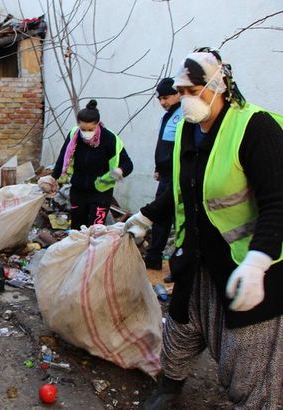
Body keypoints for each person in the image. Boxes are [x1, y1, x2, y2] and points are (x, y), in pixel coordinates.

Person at [124, 49, 283, 409]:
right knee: (181, 324)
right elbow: (184, 188)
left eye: (192, 91)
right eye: (180, 91)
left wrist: (258, 263)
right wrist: (145, 217)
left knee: (249, 351)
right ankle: (170, 387)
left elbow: (277, 202)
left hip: (247, 265)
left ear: (219, 85)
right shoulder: (188, 130)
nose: (184, 100)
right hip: (197, 258)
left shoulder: (256, 129)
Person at [38, 100, 133, 228]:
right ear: (78, 124)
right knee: (77, 228)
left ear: (98, 124)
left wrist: (119, 171)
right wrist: (53, 177)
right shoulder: (74, 136)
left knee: (95, 230)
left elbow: (128, 164)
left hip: (101, 191)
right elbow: (63, 157)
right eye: (83, 129)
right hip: (78, 190)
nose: (86, 133)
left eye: (91, 129)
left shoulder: (110, 139)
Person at [143, 78, 183, 271]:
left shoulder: (185, 114)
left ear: (178, 94)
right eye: (160, 98)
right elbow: (164, 146)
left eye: (166, 97)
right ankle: (154, 257)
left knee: (180, 220)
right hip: (166, 176)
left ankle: (179, 264)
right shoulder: (167, 116)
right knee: (161, 218)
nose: (162, 102)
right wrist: (159, 168)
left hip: (179, 177)